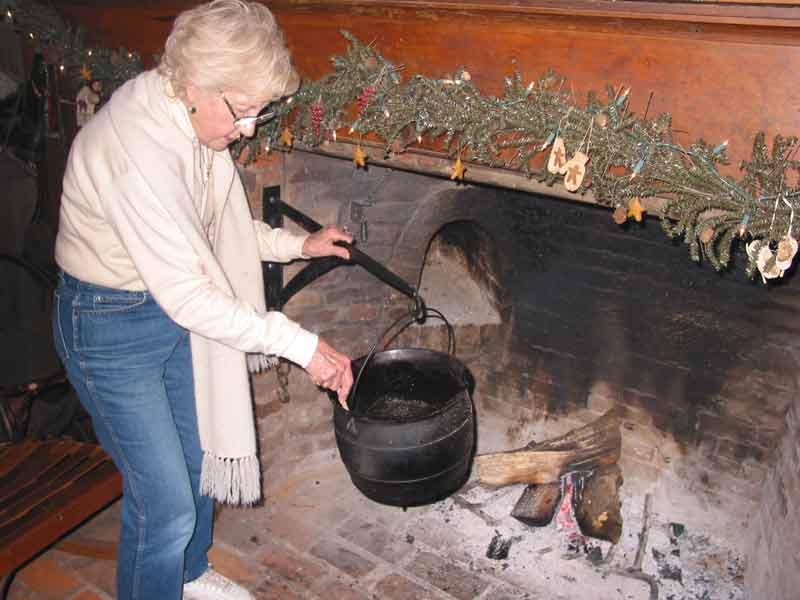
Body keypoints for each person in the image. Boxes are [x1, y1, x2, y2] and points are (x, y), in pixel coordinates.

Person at [51, 1, 354, 599]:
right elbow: (191, 293)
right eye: (242, 111)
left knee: (196, 462)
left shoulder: (191, 122)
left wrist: (298, 244)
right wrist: (300, 345)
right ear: (197, 84)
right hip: (106, 328)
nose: (249, 129)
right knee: (162, 502)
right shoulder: (136, 149)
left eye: (259, 112)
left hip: (164, 312)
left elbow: (217, 229)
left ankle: (186, 576)